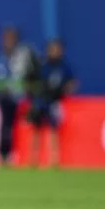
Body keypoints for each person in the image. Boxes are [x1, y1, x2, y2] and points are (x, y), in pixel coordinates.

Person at [0, 26, 39, 166]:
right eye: (6, 38)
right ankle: (3, 154)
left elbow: (29, 76)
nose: (9, 41)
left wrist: (26, 92)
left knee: (17, 125)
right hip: (3, 97)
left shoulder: (21, 58)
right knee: (5, 125)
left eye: (12, 38)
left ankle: (21, 155)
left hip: (18, 98)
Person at [26, 39, 76, 167]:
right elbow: (32, 82)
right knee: (36, 129)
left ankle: (54, 159)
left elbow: (72, 83)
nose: (54, 52)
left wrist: (64, 91)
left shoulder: (64, 67)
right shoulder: (42, 66)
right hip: (40, 100)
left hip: (54, 101)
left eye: (57, 49)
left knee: (53, 129)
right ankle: (33, 159)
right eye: (52, 49)